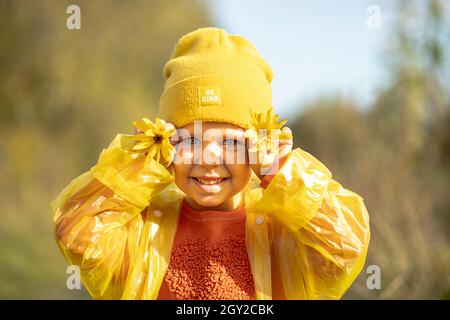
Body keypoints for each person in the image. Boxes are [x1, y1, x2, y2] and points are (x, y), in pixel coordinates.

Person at [50, 27, 370, 300]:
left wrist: (281, 171)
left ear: (258, 148)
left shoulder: (281, 235)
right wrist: (136, 166)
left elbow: (345, 246)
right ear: (166, 142)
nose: (208, 159)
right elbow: (76, 232)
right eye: (189, 140)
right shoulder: (146, 229)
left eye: (232, 143)